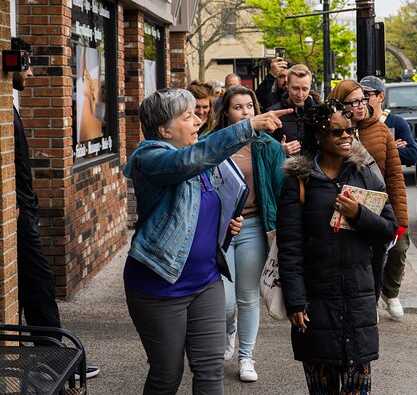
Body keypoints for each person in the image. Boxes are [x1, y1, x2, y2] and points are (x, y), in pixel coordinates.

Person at [123, 87, 290, 394]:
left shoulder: (197, 154)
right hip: (159, 283)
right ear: (165, 129)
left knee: (210, 369)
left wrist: (226, 223)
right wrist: (248, 127)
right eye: (188, 116)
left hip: (206, 280)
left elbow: (202, 207)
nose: (198, 120)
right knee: (166, 374)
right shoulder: (150, 159)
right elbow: (192, 160)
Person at [277, 100, 398, 395]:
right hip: (316, 302)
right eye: (336, 132)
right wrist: (295, 302)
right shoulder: (299, 182)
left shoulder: (365, 174)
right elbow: (289, 247)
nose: (346, 137)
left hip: (359, 298)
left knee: (358, 389)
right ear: (318, 136)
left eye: (349, 130)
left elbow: (389, 231)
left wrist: (359, 215)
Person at [11, 37, 101, 380]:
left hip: (23, 212)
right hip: (18, 215)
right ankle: (51, 360)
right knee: (38, 285)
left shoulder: (10, 106)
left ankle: (47, 358)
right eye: (27, 65)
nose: (30, 72)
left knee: (34, 286)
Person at [215, 85, 286, 382]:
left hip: (253, 227)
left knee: (247, 297)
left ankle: (247, 357)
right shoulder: (213, 144)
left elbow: (281, 189)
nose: (245, 112)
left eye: (249, 107)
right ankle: (228, 329)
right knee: (224, 301)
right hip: (218, 231)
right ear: (227, 113)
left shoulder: (267, 146)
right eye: (238, 107)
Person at [330, 80, 409, 317]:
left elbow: (394, 177)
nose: (361, 105)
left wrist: (401, 221)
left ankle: (377, 301)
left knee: (378, 262)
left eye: (363, 99)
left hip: (376, 211)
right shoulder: (329, 132)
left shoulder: (380, 130)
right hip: (341, 212)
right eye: (354, 101)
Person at [359, 75, 417, 319]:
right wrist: (393, 146)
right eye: (359, 96)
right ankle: (367, 298)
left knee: (399, 246)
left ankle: (390, 293)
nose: (362, 101)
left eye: (367, 96)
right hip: (362, 196)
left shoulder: (396, 122)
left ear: (380, 97)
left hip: (388, 196)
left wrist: (388, 146)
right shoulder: (354, 123)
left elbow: (411, 154)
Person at [267, 64, 318, 156]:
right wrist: (280, 151)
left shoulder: (317, 113)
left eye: (305, 89)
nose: (300, 94)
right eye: (295, 88)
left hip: (312, 167)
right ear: (287, 85)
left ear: (310, 87)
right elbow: (263, 151)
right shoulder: (272, 114)